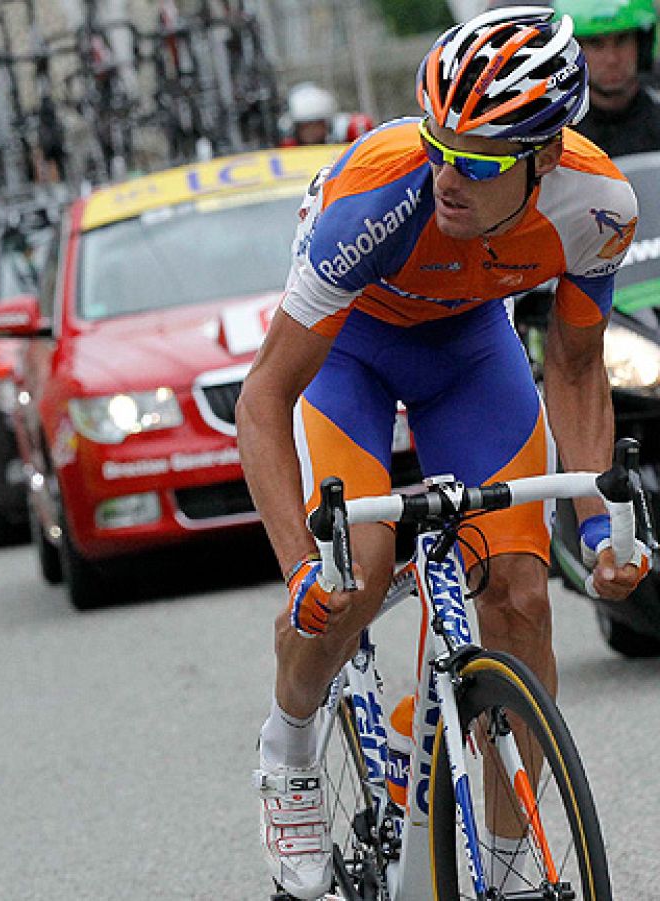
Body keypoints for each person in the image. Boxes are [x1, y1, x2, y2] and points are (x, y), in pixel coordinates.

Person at [235, 9, 647, 899]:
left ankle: (505, 865)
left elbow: (575, 369)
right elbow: (262, 401)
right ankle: (290, 748)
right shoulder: (382, 195)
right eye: (438, 141)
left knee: (524, 593)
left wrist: (599, 523)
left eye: (481, 158)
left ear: (545, 155)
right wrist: (303, 569)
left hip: (468, 348)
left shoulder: (599, 205)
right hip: (349, 347)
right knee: (360, 568)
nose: (448, 172)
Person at [557, 0, 660, 157]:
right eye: (596, 43)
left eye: (622, 40)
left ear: (642, 45)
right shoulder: (556, 138)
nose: (612, 59)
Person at [281, 82, 375, 147]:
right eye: (306, 126)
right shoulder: (285, 151)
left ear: (328, 125)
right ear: (295, 128)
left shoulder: (343, 147)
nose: (312, 131)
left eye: (318, 124)